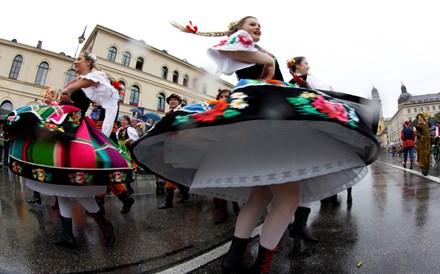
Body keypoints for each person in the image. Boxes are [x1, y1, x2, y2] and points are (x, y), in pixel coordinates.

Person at [134, 17, 380, 273]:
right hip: (263, 115)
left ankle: (233, 258)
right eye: (252, 23)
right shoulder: (243, 40)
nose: (257, 27)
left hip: (263, 114)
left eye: (259, 24)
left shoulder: (252, 46)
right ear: (239, 28)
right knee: (288, 198)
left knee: (260, 195)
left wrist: (267, 61)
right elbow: (221, 49)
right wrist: (266, 61)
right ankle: (260, 266)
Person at [4, 50, 133, 248]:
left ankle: (105, 224)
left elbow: (92, 82)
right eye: (75, 59)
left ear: (89, 61)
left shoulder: (94, 77)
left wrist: (71, 90)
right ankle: (67, 234)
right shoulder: (79, 80)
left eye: (79, 59)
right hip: (63, 123)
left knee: (71, 185)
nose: (75, 62)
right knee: (59, 185)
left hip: (74, 129)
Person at [285, 56, 318, 243]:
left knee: (308, 180)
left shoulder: (310, 82)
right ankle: (292, 223)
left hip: (308, 134)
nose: (309, 65)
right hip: (294, 136)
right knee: (294, 181)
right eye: (306, 63)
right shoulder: (289, 84)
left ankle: (299, 225)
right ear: (297, 66)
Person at [157, 93, 190, 209]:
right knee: (176, 170)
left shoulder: (181, 112)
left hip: (179, 146)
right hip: (170, 145)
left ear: (179, 102)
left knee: (171, 170)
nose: (172, 102)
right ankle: (185, 194)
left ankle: (168, 201)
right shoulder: (168, 114)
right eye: (170, 100)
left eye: (174, 100)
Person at [212, 89, 241, 225]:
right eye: (221, 96)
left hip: (232, 151)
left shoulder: (237, 111)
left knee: (230, 180)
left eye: (227, 96)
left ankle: (236, 205)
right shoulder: (213, 111)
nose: (224, 98)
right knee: (216, 181)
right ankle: (221, 211)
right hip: (216, 151)